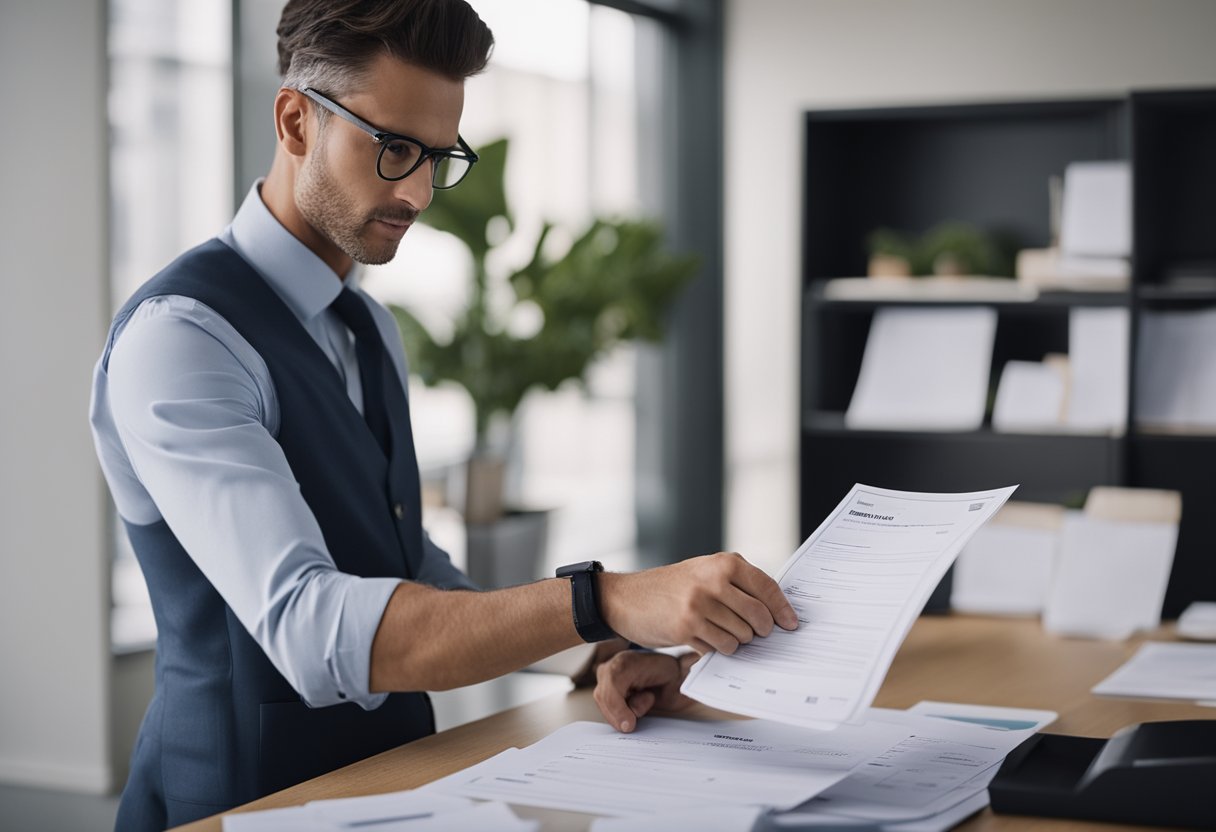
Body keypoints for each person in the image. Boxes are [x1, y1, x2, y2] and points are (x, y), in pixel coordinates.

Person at [89, 1, 796, 829]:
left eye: (437, 156)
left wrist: (594, 646)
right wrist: (601, 599)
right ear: (295, 122)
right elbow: (313, 630)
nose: (419, 191)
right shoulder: (181, 339)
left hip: (393, 788)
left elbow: (407, 560)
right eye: (393, 149)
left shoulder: (364, 325)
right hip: (233, 803)